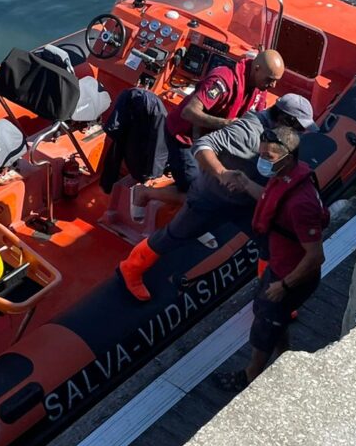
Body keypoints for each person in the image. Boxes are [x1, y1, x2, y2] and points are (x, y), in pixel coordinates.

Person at [117, 93, 315, 301]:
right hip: (210, 199)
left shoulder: (281, 138)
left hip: (245, 203)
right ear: (285, 120)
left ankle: (269, 293)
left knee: (269, 243)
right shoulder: (247, 130)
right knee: (172, 236)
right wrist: (222, 173)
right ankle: (130, 268)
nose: (300, 133)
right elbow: (203, 145)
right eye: (299, 128)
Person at [215, 125, 328, 392]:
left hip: (291, 275)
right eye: (262, 155)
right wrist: (244, 182)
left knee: (265, 324)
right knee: (270, 316)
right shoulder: (285, 177)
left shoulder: (302, 204)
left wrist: (285, 285)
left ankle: (252, 375)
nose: (263, 161)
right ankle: (283, 357)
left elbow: (316, 256)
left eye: (268, 157)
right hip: (279, 265)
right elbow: (269, 199)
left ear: (287, 157)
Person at [160, 49, 285, 194]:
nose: (273, 85)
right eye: (270, 79)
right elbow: (189, 112)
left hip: (212, 140)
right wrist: (225, 124)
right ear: (257, 69)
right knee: (194, 189)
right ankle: (144, 193)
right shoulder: (223, 80)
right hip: (183, 137)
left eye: (276, 80)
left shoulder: (260, 88)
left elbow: (258, 121)